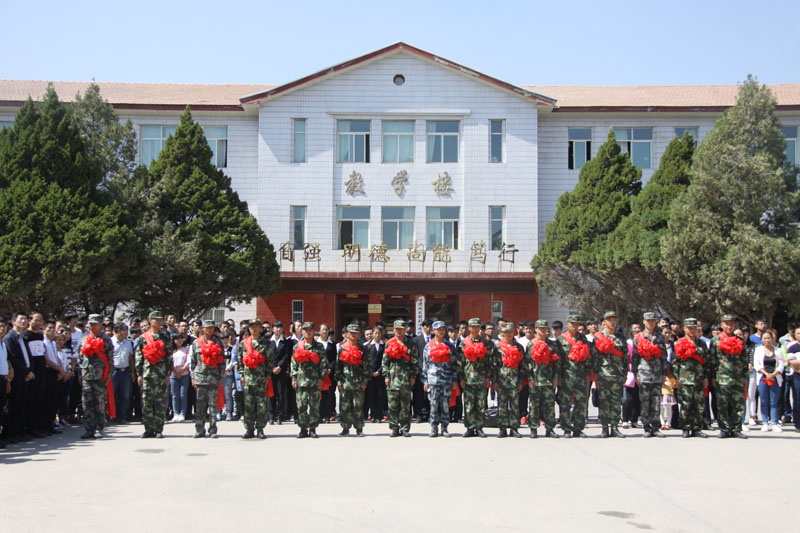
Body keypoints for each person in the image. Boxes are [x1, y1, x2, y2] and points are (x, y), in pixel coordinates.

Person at [136, 311, 174, 438]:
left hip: (161, 374)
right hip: (147, 374)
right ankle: (148, 429)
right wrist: (139, 374)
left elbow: (169, 357)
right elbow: (139, 356)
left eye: (160, 319)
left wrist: (168, 374)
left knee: (160, 402)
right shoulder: (143, 337)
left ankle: (158, 429)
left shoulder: (165, 337)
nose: (159, 322)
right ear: (150, 320)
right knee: (146, 401)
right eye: (156, 319)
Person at [711, 314, 748, 439]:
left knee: (738, 405)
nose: (729, 326)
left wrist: (745, 377)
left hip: (738, 378)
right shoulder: (716, 341)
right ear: (721, 325)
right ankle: (724, 429)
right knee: (722, 405)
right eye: (726, 323)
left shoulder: (740, 340)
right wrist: (713, 377)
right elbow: (712, 360)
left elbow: (744, 360)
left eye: (731, 323)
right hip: (722, 378)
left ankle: (736, 428)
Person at [672, 318, 711, 438]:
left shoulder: (702, 344)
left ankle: (697, 428)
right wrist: (676, 379)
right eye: (689, 328)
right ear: (684, 329)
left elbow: (706, 361)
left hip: (699, 379)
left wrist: (706, 377)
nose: (692, 330)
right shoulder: (678, 343)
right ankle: (685, 427)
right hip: (684, 379)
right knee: (685, 405)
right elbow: (675, 363)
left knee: (699, 406)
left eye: (694, 328)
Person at [557, 314, 594, 438]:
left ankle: (578, 428)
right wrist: (558, 376)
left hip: (580, 375)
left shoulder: (583, 339)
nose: (575, 326)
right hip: (566, 376)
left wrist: (588, 374)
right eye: (572, 323)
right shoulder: (561, 339)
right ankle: (566, 429)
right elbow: (558, 360)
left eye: (577, 324)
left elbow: (588, 357)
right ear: (567, 324)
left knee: (580, 403)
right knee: (566, 403)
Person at [632, 312, 668, 438]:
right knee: (645, 402)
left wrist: (664, 373)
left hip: (657, 374)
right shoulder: (638, 337)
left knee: (656, 402)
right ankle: (646, 427)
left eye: (653, 320)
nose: (650, 323)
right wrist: (636, 374)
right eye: (648, 321)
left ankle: (655, 427)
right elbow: (635, 358)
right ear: (644, 322)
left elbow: (664, 357)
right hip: (644, 374)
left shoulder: (660, 337)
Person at [457, 318, 494, 438]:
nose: (475, 329)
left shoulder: (485, 343)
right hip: (468, 379)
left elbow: (489, 362)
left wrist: (488, 377)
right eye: (473, 327)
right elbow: (460, 363)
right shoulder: (464, 343)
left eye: (478, 327)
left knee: (481, 405)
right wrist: (461, 378)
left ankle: (479, 427)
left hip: (481, 379)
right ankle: (470, 427)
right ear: (469, 328)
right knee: (469, 405)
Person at [525, 319, 561, 438]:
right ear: (536, 329)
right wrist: (530, 378)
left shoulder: (552, 344)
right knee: (534, 405)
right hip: (535, 380)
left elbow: (557, 362)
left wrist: (555, 377)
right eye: (540, 328)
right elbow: (527, 363)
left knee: (549, 405)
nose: (542, 330)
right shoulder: (531, 344)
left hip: (548, 379)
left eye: (544, 328)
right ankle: (533, 428)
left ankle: (549, 428)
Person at [237, 319, 273, 439]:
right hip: (248, 379)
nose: (254, 329)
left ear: (260, 328)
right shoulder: (243, 343)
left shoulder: (266, 343)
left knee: (261, 405)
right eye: (252, 327)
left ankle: (260, 429)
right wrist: (242, 375)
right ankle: (249, 429)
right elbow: (240, 361)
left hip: (261, 379)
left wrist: (267, 376)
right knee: (248, 405)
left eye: (256, 326)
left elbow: (270, 361)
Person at [79, 315, 113, 439]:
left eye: (95, 324)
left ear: (100, 324)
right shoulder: (84, 339)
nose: (93, 326)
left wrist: (109, 373)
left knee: (99, 402)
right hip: (87, 374)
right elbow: (80, 357)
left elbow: (110, 357)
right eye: (91, 324)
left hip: (100, 375)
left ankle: (99, 428)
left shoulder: (106, 339)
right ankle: (89, 429)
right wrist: (79, 373)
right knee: (86, 403)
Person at [290, 322, 327, 439]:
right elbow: (293, 364)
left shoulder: (319, 347)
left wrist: (321, 377)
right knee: (301, 406)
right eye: (305, 330)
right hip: (301, 381)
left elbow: (324, 364)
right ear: (302, 331)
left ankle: (313, 428)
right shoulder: (297, 347)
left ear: (314, 331)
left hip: (314, 381)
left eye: (310, 329)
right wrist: (294, 378)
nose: (308, 332)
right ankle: (302, 429)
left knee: (314, 406)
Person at [421, 321, 458, 438]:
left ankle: (445, 428)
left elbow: (454, 365)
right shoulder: (428, 346)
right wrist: (425, 381)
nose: (441, 332)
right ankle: (433, 428)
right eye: (438, 330)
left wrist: (454, 380)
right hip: (433, 380)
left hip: (446, 380)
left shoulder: (450, 346)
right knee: (433, 405)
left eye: (443, 329)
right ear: (433, 331)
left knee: (445, 405)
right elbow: (425, 365)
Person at [382, 319, 418, 437]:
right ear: (393, 330)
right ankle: (394, 427)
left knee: (405, 405)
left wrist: (413, 376)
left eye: (401, 329)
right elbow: (385, 362)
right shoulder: (389, 343)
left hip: (406, 378)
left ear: (405, 329)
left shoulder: (410, 343)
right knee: (393, 405)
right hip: (393, 379)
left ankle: (405, 428)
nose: (399, 331)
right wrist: (386, 376)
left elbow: (414, 362)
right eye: (397, 329)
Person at [594, 311, 627, 438]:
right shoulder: (599, 337)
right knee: (604, 402)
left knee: (616, 402)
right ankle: (604, 428)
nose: (612, 322)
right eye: (609, 320)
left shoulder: (621, 337)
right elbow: (595, 356)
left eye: (614, 319)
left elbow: (625, 356)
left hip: (617, 374)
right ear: (604, 322)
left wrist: (625, 372)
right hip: (603, 374)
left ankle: (615, 428)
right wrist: (595, 372)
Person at [190, 319, 225, 438]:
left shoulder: (218, 343)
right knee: (200, 406)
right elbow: (193, 362)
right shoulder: (196, 343)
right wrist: (193, 378)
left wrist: (220, 378)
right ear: (203, 329)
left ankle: (213, 430)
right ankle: (200, 429)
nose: (209, 330)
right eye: (207, 328)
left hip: (213, 378)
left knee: (213, 406)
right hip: (200, 378)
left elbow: (222, 363)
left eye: (211, 328)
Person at [335, 323, 370, 437]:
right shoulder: (342, 347)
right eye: (351, 333)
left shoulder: (363, 348)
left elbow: (367, 366)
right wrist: (339, 382)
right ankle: (345, 428)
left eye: (356, 333)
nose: (353, 335)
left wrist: (365, 381)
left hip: (358, 382)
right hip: (345, 381)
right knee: (345, 406)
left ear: (359, 334)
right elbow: (338, 366)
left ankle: (359, 428)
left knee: (358, 406)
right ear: (347, 334)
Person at [494, 322, 526, 438]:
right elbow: (495, 365)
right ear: (502, 332)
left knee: (515, 406)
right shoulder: (498, 347)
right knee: (502, 406)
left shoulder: (519, 347)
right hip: (502, 381)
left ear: (514, 332)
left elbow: (522, 366)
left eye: (510, 331)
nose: (508, 334)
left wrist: (521, 381)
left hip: (514, 381)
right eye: (506, 332)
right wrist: (495, 381)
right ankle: (502, 428)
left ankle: (514, 428)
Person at [754, 329, 784, 432]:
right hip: (763, 377)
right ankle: (765, 422)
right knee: (764, 400)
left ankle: (774, 422)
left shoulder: (778, 351)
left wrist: (773, 374)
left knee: (774, 401)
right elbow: (757, 365)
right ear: (762, 340)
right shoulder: (758, 350)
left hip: (775, 378)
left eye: (769, 338)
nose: (767, 340)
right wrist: (766, 374)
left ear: (772, 339)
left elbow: (781, 365)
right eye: (765, 338)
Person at [110, 322, 134, 424]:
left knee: (125, 395)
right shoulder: (110, 342)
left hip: (125, 372)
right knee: (111, 395)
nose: (127, 332)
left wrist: (132, 372)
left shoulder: (128, 343)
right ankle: (111, 416)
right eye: (125, 330)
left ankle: (121, 417)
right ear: (119, 330)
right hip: (113, 371)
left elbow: (130, 358)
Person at [365, 325, 387, 423]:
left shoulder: (384, 346)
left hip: (381, 374)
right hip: (371, 375)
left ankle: (379, 415)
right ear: (373, 334)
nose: (377, 335)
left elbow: (385, 360)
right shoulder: (368, 346)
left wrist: (379, 371)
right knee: (371, 394)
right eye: (375, 333)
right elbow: (366, 361)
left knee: (380, 394)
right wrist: (371, 372)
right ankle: (373, 414)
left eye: (379, 333)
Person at [169, 332, 190, 423]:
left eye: (181, 338)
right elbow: (169, 362)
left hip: (184, 374)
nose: (179, 341)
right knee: (174, 395)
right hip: (173, 374)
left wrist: (181, 371)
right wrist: (175, 371)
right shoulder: (171, 350)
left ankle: (182, 413)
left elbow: (188, 361)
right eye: (177, 339)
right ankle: (175, 414)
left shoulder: (187, 349)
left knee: (183, 395)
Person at [318, 323, 337, 423]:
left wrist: (330, 368)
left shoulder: (332, 344)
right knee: (319, 394)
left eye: (326, 329)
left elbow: (334, 359)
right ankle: (319, 414)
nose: (325, 331)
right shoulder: (316, 344)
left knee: (329, 393)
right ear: (319, 331)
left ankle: (328, 414)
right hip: (319, 373)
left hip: (330, 373)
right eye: (323, 329)